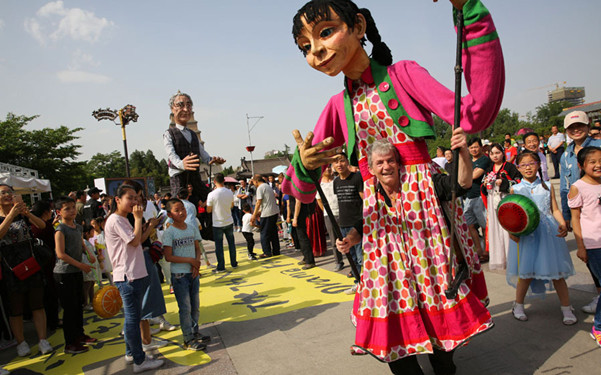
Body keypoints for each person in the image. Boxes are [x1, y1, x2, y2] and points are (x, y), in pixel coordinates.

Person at [282, 0, 503, 370]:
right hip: (380, 222)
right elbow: (299, 189)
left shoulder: (404, 75)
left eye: (324, 33)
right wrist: (302, 164)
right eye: (305, 47)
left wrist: (471, 15)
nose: (317, 51)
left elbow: (474, 111)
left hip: (424, 214)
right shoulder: (338, 105)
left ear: (358, 25)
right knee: (388, 301)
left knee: (436, 306)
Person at [336, 135, 490, 375]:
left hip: (431, 277)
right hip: (394, 281)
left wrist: (463, 153)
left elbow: (460, 185)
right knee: (396, 350)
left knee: (443, 348)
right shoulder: (372, 195)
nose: (386, 166)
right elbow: (362, 224)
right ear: (372, 168)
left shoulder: (424, 183)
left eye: (390, 161)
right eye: (380, 163)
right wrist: (347, 241)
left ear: (398, 162)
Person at [506, 151, 576, 325]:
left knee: (557, 272)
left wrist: (562, 224)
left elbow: (555, 209)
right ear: (518, 168)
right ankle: (518, 305)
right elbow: (509, 215)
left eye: (531, 163)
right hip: (528, 235)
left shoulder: (547, 185)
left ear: (538, 164)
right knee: (526, 272)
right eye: (523, 165)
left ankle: (566, 308)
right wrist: (512, 232)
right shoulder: (516, 188)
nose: (528, 167)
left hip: (548, 234)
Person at [104, 184, 165, 372]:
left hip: (132, 274)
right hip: (128, 276)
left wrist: (148, 226)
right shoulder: (116, 220)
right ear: (117, 200)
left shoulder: (121, 219)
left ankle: (131, 353)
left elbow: (137, 240)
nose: (134, 202)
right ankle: (139, 360)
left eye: (136, 198)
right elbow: (135, 240)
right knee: (132, 319)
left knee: (133, 317)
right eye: (129, 198)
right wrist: (139, 219)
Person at [0, 184, 52, 357]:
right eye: (3, 193)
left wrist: (27, 213)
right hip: (10, 265)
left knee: (37, 303)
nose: (7, 195)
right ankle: (21, 343)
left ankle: (43, 340)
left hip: (29, 260)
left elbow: (42, 225)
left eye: (10, 192)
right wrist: (11, 216)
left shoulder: (22, 213)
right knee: (16, 308)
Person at [559, 111, 601, 314]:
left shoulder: (598, 148)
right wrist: (565, 215)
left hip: (597, 209)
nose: (576, 130)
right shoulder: (566, 155)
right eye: (571, 128)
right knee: (591, 257)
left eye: (580, 126)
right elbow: (565, 188)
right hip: (581, 214)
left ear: (588, 125)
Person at [162, 198, 210, 351]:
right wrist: (189, 260)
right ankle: (187, 338)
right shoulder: (169, 232)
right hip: (179, 275)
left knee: (195, 306)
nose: (181, 212)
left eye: (182, 208)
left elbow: (197, 247)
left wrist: (196, 262)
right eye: (177, 210)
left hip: (193, 273)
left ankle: (195, 332)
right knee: (185, 307)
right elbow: (168, 256)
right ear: (170, 214)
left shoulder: (191, 227)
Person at [53, 197, 98, 354]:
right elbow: (61, 254)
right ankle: (70, 343)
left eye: (73, 207)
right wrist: (81, 265)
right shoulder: (60, 230)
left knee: (78, 305)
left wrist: (88, 254)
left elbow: (81, 243)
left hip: (77, 271)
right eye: (67, 209)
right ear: (59, 212)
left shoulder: (78, 227)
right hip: (64, 274)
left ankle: (79, 335)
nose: (72, 211)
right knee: (69, 309)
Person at [163, 91, 225, 198]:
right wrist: (181, 164)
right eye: (180, 105)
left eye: (189, 106)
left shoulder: (193, 135)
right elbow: (171, 154)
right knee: (180, 207)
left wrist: (213, 161)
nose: (186, 110)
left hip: (195, 178)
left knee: (209, 199)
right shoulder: (169, 133)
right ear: (172, 109)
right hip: (179, 178)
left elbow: (204, 155)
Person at [568, 146, 601, 347]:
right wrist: (580, 246)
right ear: (581, 165)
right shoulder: (578, 187)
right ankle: (598, 326)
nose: (598, 165)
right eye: (593, 162)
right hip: (593, 244)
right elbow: (575, 218)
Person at [480, 143, 520, 270]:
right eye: (492, 153)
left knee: (507, 227)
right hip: (493, 201)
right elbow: (483, 184)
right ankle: (498, 258)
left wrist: (504, 183)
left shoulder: (509, 167)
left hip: (506, 200)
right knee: (495, 227)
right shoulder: (489, 167)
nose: (495, 156)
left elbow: (518, 182)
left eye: (497, 153)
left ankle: (511, 257)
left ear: (503, 153)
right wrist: (486, 184)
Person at [332, 152, 363, 278]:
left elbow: (365, 199)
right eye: (336, 161)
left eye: (342, 160)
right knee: (352, 258)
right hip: (343, 223)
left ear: (347, 162)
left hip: (357, 224)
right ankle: (357, 283)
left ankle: (365, 285)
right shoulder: (336, 182)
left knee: (361, 258)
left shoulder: (357, 177)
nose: (339, 164)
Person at [465, 137, 491, 262]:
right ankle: (478, 250)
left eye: (476, 147)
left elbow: (474, 176)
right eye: (471, 148)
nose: (474, 149)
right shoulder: (468, 160)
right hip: (468, 197)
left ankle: (487, 251)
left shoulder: (484, 160)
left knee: (484, 225)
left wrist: (466, 175)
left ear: (480, 147)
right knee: (469, 225)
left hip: (480, 196)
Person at [206, 173, 237, 272]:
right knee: (231, 243)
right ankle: (233, 262)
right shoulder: (229, 192)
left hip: (217, 223)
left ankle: (221, 266)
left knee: (219, 246)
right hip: (228, 220)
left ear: (214, 182)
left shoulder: (211, 194)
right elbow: (232, 206)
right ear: (224, 181)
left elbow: (209, 210)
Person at [317, 165, 344, 271]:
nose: (328, 169)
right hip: (328, 215)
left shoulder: (338, 180)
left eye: (329, 167)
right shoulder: (320, 184)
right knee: (333, 240)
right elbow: (318, 200)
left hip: (342, 213)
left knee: (347, 237)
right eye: (326, 167)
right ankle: (338, 261)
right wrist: (325, 211)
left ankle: (354, 261)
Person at [251, 174, 280, 258]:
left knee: (264, 233)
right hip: (273, 211)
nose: (254, 184)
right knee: (273, 232)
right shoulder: (267, 186)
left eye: (253, 182)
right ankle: (276, 250)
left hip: (266, 213)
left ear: (256, 181)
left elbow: (258, 202)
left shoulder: (260, 188)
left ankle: (267, 251)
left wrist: (254, 214)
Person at [82, 224, 101, 312]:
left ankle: (92, 301)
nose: (93, 233)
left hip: (92, 264)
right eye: (92, 231)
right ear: (86, 233)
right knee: (87, 284)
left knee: (91, 283)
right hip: (87, 264)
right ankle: (85, 303)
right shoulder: (84, 243)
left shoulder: (88, 242)